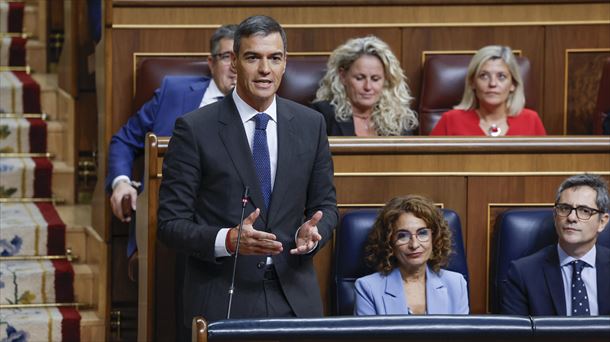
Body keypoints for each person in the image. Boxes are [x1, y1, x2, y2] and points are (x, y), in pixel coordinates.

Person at [157, 15, 338, 326]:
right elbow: (170, 224)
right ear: (234, 63)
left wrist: (311, 235)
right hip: (222, 298)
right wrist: (227, 240)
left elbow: (326, 206)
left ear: (285, 64)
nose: (265, 69)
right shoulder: (195, 128)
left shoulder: (311, 125)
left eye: (274, 58)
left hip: (294, 297)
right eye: (253, 57)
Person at [105, 24, 237, 259]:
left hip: (233, 221)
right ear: (211, 62)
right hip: (166, 217)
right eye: (228, 57)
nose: (235, 67)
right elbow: (124, 140)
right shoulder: (173, 92)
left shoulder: (264, 108)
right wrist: (121, 183)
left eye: (243, 58)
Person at [501, 174, 610, 315]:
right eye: (564, 208)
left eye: (584, 211)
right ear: (555, 216)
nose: (571, 218)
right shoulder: (523, 273)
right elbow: (514, 335)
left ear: (602, 222)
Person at [354, 195, 469, 315]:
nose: (414, 245)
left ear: (434, 238)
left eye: (422, 233)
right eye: (402, 236)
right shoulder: (368, 288)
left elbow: (460, 334)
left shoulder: (456, 284)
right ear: (389, 242)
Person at [311, 36, 418, 136]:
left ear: (385, 80)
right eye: (360, 78)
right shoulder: (322, 115)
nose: (368, 87)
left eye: (375, 79)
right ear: (343, 76)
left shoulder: (398, 118)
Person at [430, 45, 546, 136]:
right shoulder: (450, 120)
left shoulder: (531, 120)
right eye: (484, 76)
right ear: (472, 83)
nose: (492, 83)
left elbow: (544, 164)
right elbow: (430, 164)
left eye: (501, 76)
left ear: (513, 84)